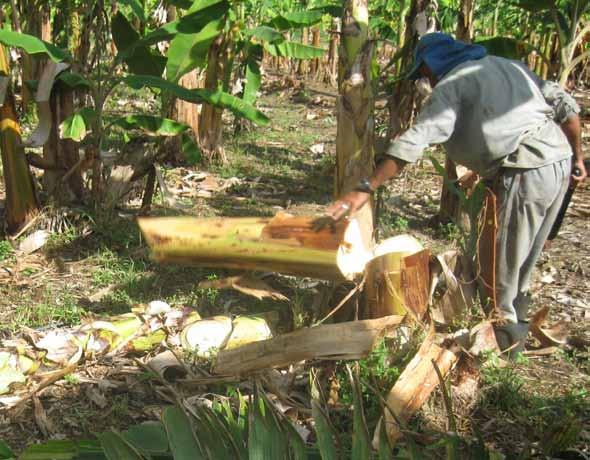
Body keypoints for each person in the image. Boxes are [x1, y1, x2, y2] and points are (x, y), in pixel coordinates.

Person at [325, 32, 587, 355]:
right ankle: (514, 332)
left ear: (432, 66)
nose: (425, 80)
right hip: (558, 162)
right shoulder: (507, 66)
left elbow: (414, 142)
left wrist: (365, 188)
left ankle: (503, 352)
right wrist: (576, 156)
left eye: (423, 74)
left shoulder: (452, 86)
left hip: (525, 169)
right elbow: (564, 103)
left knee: (500, 269)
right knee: (522, 262)